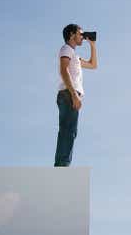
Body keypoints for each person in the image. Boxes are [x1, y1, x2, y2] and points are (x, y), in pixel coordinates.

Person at [54, 23, 97, 167]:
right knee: (67, 132)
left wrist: (92, 45)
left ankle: (63, 166)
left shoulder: (75, 56)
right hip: (68, 94)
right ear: (72, 34)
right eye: (80, 33)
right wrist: (74, 94)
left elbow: (93, 65)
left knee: (71, 133)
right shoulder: (66, 49)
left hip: (71, 94)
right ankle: (61, 168)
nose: (82, 37)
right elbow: (63, 70)